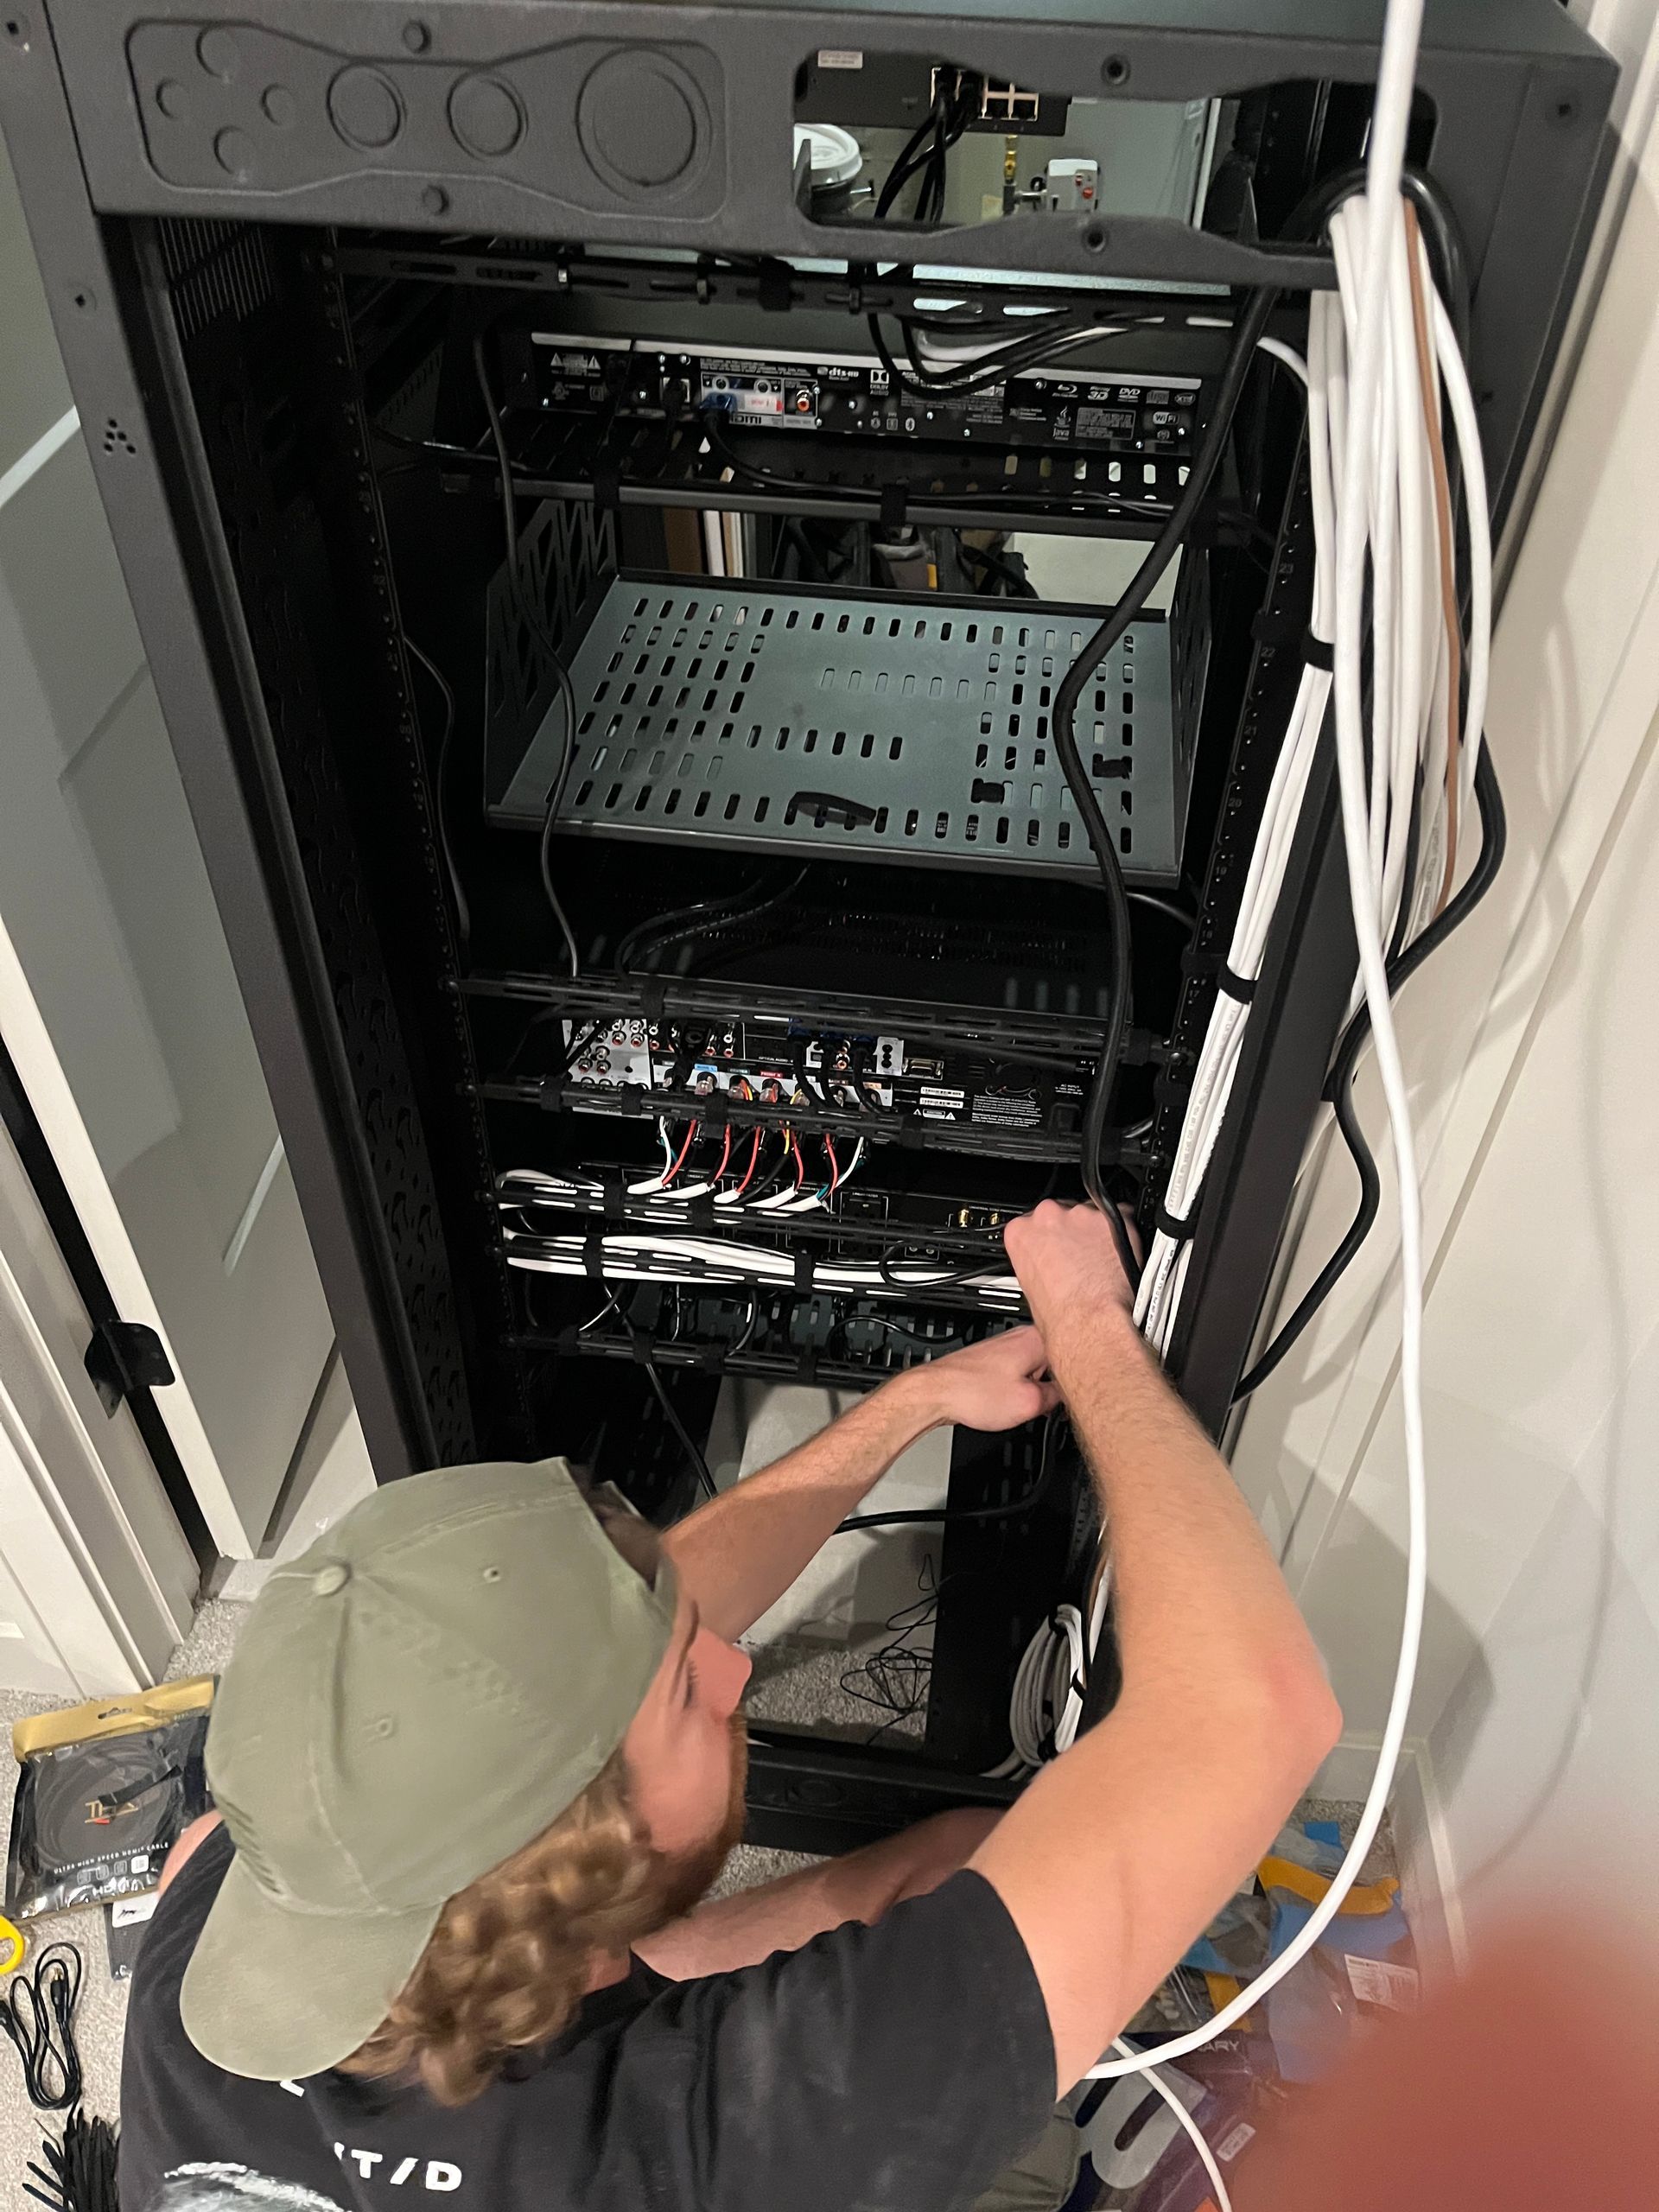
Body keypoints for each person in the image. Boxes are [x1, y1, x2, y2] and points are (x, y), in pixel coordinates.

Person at [121, 1203, 1339, 2212]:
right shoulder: (709, 2157)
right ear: (586, 1866)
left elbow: (606, 1643)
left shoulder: (232, 1889)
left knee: (959, 1863)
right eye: (685, 1697)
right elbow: (1255, 1712)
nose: (737, 1671)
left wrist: (915, 1401)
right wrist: (1089, 1326)